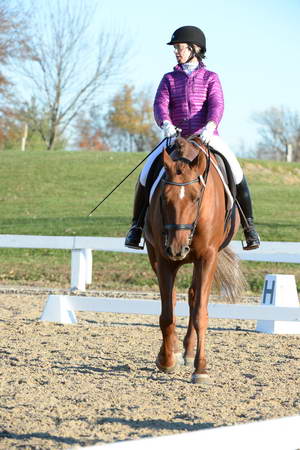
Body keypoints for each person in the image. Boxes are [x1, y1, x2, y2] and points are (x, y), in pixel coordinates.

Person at [125, 25, 260, 251]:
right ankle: (136, 227)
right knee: (146, 172)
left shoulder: (210, 77)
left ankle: (249, 227)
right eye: (175, 48)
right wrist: (165, 123)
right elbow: (160, 104)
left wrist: (210, 125)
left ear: (195, 49)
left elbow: (217, 104)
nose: (176, 51)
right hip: (176, 138)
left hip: (205, 136)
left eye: (180, 48)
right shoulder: (169, 78)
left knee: (236, 171)